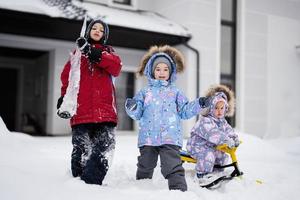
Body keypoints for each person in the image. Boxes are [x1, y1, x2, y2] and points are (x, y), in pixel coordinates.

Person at [125, 45, 209, 192]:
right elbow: (137, 113)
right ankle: (141, 189)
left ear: (171, 72)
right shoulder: (145, 92)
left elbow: (184, 110)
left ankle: (178, 191)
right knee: (145, 164)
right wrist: (132, 107)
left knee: (172, 165)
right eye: (158, 69)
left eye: (165, 69)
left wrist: (198, 104)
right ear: (152, 71)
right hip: (148, 137)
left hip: (170, 137)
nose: (162, 72)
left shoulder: (175, 92)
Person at [57, 18, 122, 185]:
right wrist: (64, 98)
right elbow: (67, 79)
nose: (98, 31)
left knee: (104, 148)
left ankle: (90, 183)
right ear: (88, 31)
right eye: (94, 28)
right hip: (81, 112)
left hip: (105, 113)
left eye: (102, 29)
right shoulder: (77, 56)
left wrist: (92, 51)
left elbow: (116, 68)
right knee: (81, 149)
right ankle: (77, 182)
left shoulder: (109, 54)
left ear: (105, 36)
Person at [186, 84, 239, 186]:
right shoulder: (205, 121)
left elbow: (229, 131)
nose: (219, 111)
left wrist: (233, 138)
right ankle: (202, 175)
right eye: (216, 108)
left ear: (226, 108)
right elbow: (213, 134)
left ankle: (216, 172)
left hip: (211, 146)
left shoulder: (223, 122)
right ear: (211, 108)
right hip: (197, 146)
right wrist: (225, 140)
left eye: (222, 108)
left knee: (222, 155)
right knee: (208, 154)